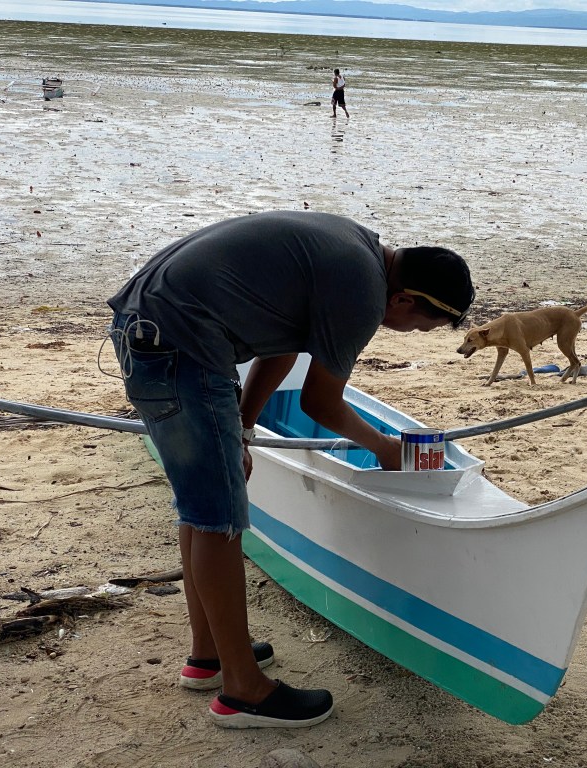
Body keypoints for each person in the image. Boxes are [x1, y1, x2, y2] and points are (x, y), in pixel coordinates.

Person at [106, 211, 474, 729]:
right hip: (180, 350)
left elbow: (280, 345)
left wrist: (242, 428)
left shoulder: (355, 249)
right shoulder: (363, 291)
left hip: (152, 333)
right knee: (217, 518)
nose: (406, 331)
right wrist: (385, 448)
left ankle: (209, 655)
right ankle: (243, 692)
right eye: (418, 325)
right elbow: (320, 402)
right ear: (403, 299)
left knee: (202, 508)